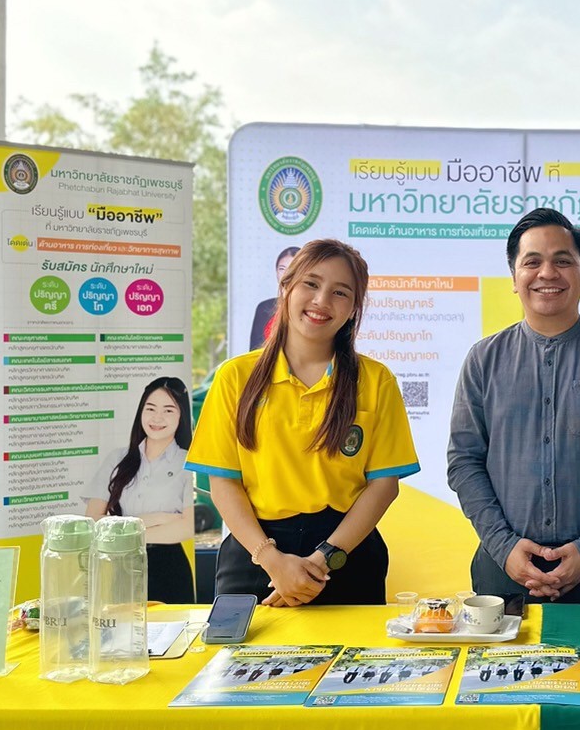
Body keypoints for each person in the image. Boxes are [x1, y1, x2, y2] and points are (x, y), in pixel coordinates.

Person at [186, 238, 420, 606]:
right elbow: (223, 482)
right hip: (254, 555)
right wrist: (273, 562)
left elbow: (384, 485)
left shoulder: (376, 381)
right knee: (242, 647)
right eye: (311, 284)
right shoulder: (235, 377)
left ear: (354, 308)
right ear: (286, 287)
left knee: (352, 648)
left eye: (340, 292)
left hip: (345, 555)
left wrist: (320, 561)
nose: (321, 301)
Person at [447, 208, 580, 604]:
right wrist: (504, 546)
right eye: (532, 262)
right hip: (503, 570)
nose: (547, 273)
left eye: (563, 261)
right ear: (514, 278)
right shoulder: (483, 360)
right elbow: (464, 461)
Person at [82, 376, 197, 604]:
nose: (157, 418)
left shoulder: (188, 462)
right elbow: (93, 521)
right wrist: (159, 518)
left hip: (169, 567)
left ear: (181, 415)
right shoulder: (118, 458)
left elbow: (187, 526)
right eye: (150, 408)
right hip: (121, 565)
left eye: (168, 410)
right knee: (121, 624)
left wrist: (123, 531)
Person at [248, 246, 301, 349]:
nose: (286, 274)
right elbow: (254, 351)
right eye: (282, 269)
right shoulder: (264, 308)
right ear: (276, 272)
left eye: (292, 269)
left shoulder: (312, 307)